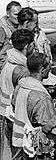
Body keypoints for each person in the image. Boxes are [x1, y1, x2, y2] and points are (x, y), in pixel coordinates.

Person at [11, 52, 56, 159]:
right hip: (36, 150)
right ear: (42, 70)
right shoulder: (41, 97)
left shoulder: (20, 86)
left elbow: (14, 106)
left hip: (19, 143)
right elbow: (54, 129)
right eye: (49, 66)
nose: (50, 69)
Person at [0, 29, 35, 159]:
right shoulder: (21, 70)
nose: (34, 46)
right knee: (19, 154)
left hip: (5, 113)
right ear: (27, 46)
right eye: (32, 43)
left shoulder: (9, 61)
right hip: (16, 119)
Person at [0, 1, 22, 67]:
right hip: (4, 66)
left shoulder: (20, 26)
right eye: (15, 14)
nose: (18, 17)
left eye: (20, 14)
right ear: (8, 13)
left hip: (16, 65)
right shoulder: (2, 29)